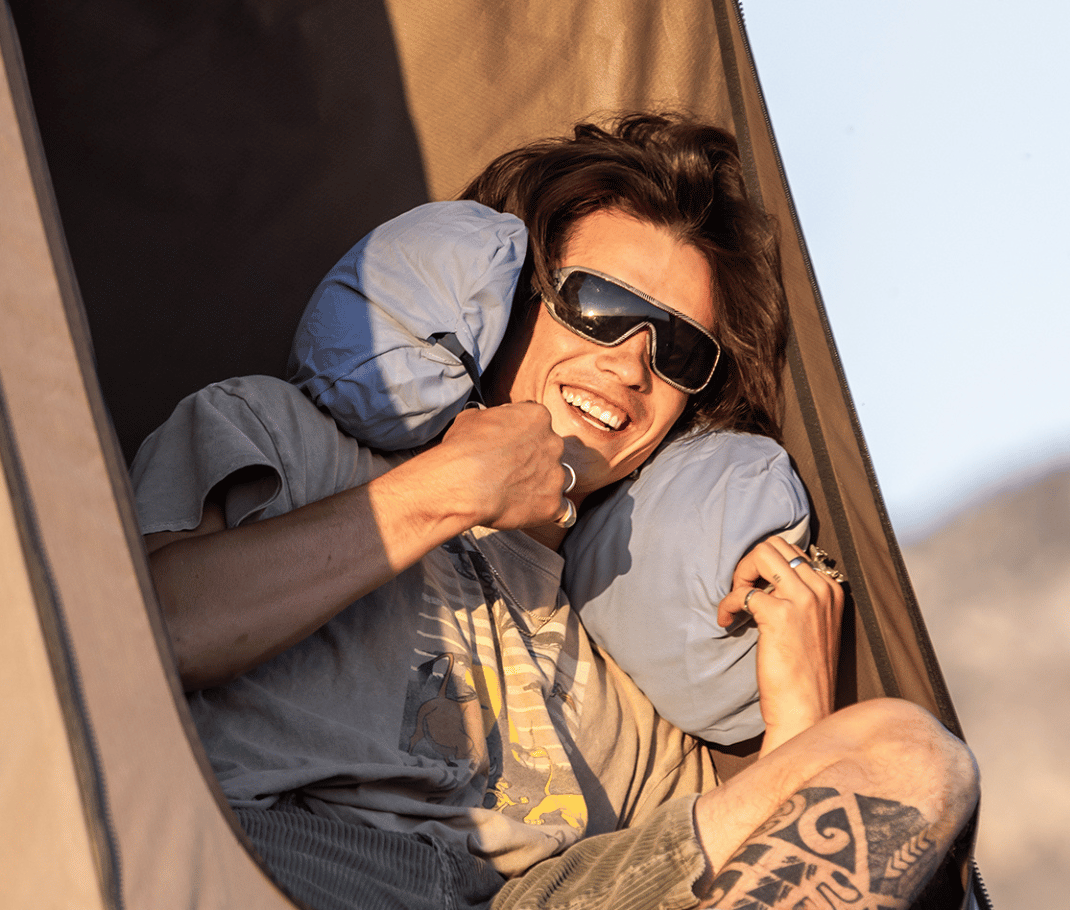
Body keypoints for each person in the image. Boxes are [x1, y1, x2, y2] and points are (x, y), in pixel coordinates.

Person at [132, 112, 977, 910]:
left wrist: (798, 720)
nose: (633, 365)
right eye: (603, 306)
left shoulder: (629, 697)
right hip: (283, 864)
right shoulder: (278, 439)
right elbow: (153, 635)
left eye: (679, 350)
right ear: (513, 299)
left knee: (908, 756)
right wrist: (443, 490)